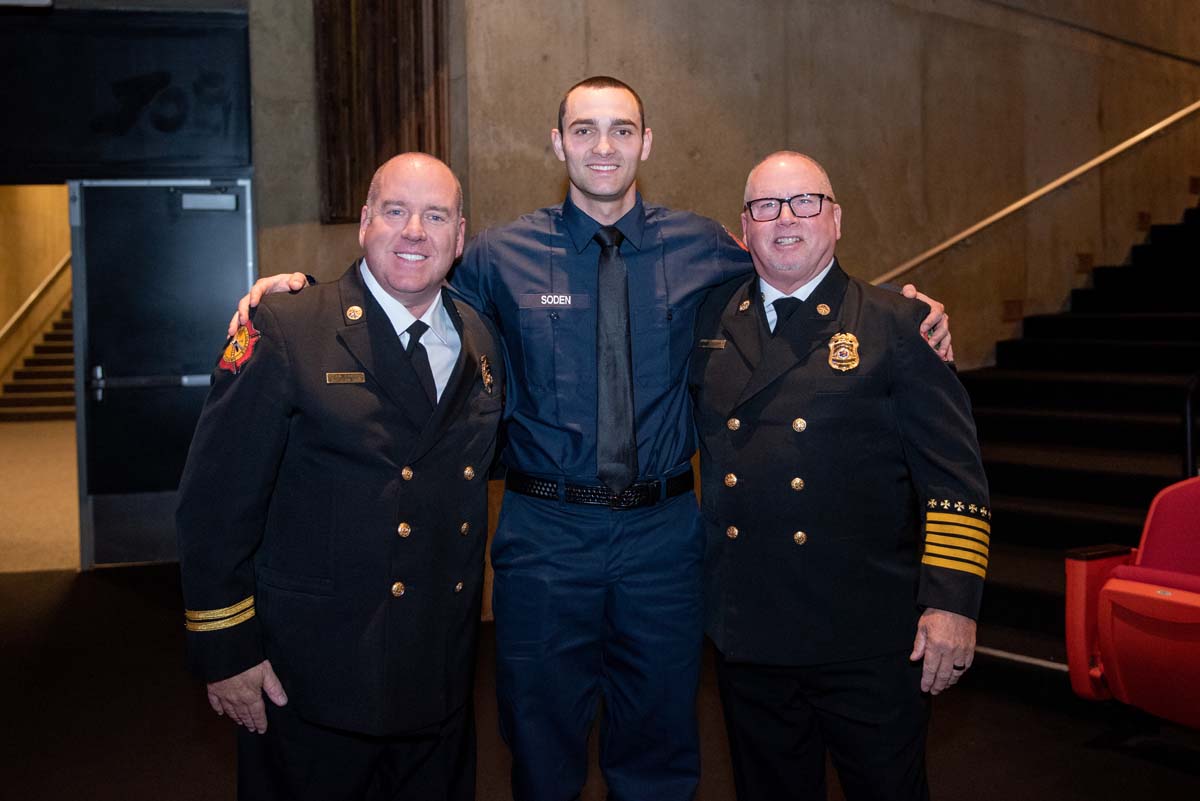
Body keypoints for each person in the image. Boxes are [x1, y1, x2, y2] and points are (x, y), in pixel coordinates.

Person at [234, 78, 952, 801]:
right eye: (583, 130)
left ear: (647, 143)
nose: (602, 146)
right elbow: (406, 289)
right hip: (545, 535)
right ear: (557, 143)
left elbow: (792, 269)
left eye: (621, 130)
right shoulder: (499, 254)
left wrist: (899, 314)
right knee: (540, 749)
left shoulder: (704, 246)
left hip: (664, 539)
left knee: (660, 751)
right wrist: (304, 295)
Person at [177, 153, 505, 801]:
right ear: (364, 223)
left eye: (436, 216)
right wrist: (227, 651)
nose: (415, 231)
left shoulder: (479, 338)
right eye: (395, 211)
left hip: (437, 678)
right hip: (313, 681)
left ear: (460, 236)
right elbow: (214, 502)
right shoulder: (289, 326)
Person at [689, 151, 989, 801]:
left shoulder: (897, 324)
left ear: (837, 219)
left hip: (868, 637)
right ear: (745, 227)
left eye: (805, 201)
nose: (785, 218)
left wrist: (951, 603)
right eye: (766, 206)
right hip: (751, 635)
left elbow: (954, 478)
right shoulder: (709, 320)